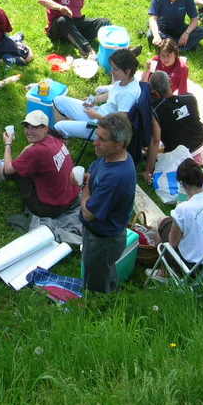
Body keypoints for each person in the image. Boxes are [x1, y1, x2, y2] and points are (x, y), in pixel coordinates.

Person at [0, 110, 81, 237]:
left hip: (50, 208)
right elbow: (28, 151)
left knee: (14, 172)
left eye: (35, 127)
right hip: (69, 198)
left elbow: (8, 170)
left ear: (45, 128)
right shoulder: (54, 139)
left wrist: (8, 144)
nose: (29, 131)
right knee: (21, 165)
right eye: (27, 127)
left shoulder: (37, 151)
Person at [80, 113, 136, 293]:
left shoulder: (116, 177)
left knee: (95, 280)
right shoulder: (111, 157)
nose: (95, 142)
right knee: (103, 269)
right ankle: (109, 286)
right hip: (103, 234)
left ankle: (95, 311)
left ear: (119, 144)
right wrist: (88, 178)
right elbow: (95, 172)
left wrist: (85, 188)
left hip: (102, 239)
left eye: (102, 139)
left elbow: (88, 213)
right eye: (97, 136)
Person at [53, 48, 142, 140]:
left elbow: (119, 124)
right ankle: (66, 134)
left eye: (115, 69)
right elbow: (112, 94)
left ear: (127, 71)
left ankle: (60, 142)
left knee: (59, 126)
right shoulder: (125, 80)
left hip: (102, 127)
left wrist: (96, 115)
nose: (112, 71)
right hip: (97, 112)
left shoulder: (128, 94)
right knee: (59, 100)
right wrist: (93, 99)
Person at [144, 71, 203, 182]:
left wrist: (148, 171)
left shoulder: (156, 112)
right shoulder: (190, 99)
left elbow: (156, 140)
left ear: (155, 93)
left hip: (177, 153)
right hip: (200, 142)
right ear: (170, 83)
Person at [38, 0, 110, 59]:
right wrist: (60, 8)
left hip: (75, 23)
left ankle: (116, 47)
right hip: (58, 28)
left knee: (104, 22)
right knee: (63, 20)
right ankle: (88, 51)